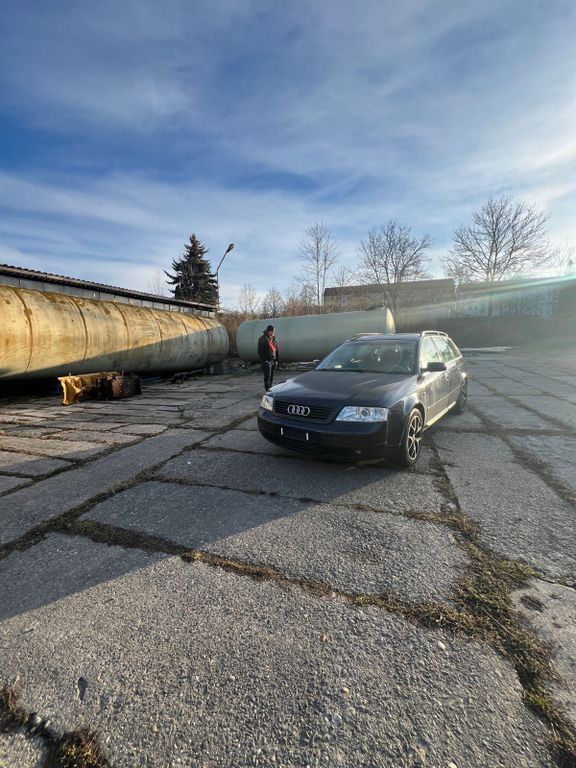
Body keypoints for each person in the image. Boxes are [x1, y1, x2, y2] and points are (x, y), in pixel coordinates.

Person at [258, 324, 279, 390]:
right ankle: (267, 390)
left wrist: (277, 360)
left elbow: (276, 349)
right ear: (268, 331)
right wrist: (265, 361)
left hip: (273, 360)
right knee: (267, 377)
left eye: (274, 331)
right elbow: (260, 351)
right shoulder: (262, 339)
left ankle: (270, 389)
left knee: (271, 376)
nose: (273, 333)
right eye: (272, 331)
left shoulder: (273, 338)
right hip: (267, 361)